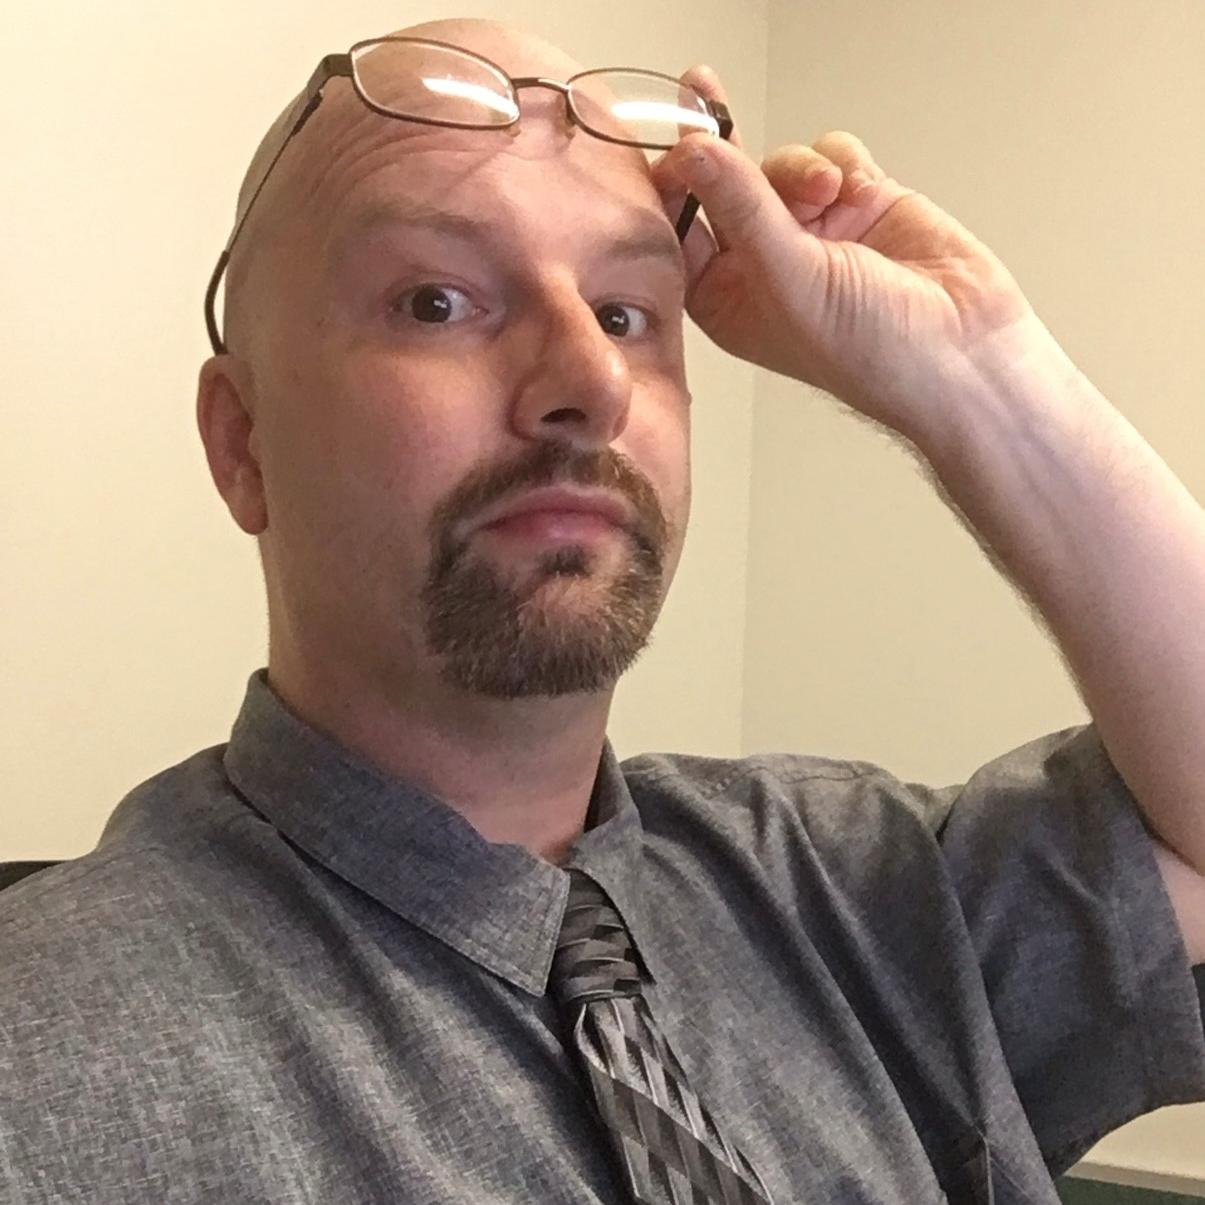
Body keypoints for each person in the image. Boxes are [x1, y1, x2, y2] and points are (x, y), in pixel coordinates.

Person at [2, 15, 1204, 1204]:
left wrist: (972, 372)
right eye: (435, 301)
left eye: (629, 313)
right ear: (242, 441)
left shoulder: (858, 894)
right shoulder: (45, 1062)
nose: (590, 381)